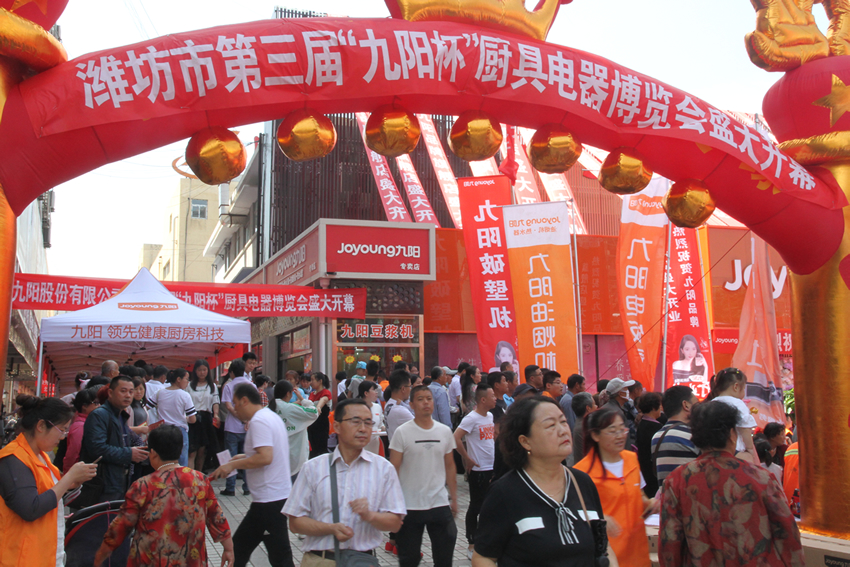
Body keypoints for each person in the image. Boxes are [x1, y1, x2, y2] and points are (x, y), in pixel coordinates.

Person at [659, 401, 804, 566]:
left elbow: (669, 546)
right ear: (731, 434)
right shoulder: (761, 477)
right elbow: (788, 534)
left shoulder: (676, 481)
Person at [473, 396, 607, 567]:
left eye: (563, 422)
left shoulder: (582, 482)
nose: (563, 430)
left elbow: (604, 548)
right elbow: (483, 557)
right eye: (551, 425)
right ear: (525, 441)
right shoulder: (505, 492)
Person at [284, 398, 406, 564]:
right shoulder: (313, 468)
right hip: (319, 560)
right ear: (337, 426)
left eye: (368, 422)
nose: (363, 428)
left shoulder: (384, 469)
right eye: (355, 422)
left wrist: (369, 515)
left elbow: (395, 523)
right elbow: (295, 522)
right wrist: (330, 528)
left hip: (361, 561)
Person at [94, 425, 234, 567]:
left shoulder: (143, 486)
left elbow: (121, 526)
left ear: (152, 453)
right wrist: (228, 548)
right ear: (181, 450)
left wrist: (101, 555)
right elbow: (216, 517)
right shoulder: (200, 480)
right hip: (191, 561)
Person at [0, 395, 98, 567]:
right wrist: (68, 478)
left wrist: (71, 484)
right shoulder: (14, 458)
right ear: (41, 426)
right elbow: (31, 509)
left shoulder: (40, 455)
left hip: (41, 551)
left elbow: (49, 493)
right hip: (20, 557)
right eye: (62, 430)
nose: (63, 437)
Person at [212, 383, 294, 567]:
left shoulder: (259, 421)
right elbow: (267, 452)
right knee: (248, 551)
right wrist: (240, 457)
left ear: (244, 401)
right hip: (272, 498)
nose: (234, 409)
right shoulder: (270, 416)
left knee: (268, 555)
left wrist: (232, 465)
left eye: (235, 404)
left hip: (268, 500)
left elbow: (265, 457)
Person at [575, 406, 654, 567]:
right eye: (612, 431)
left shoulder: (631, 459)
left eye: (622, 429)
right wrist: (600, 517)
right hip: (609, 556)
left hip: (637, 552)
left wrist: (650, 503)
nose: (620, 436)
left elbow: (639, 494)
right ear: (595, 435)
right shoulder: (582, 472)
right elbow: (577, 515)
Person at [390, 386, 458, 567]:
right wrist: (393, 503)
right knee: (409, 559)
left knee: (444, 560)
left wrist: (454, 498)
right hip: (409, 505)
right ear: (411, 404)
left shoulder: (444, 431)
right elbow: (393, 468)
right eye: (420, 399)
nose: (426, 403)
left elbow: (450, 466)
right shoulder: (402, 432)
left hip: (439, 503)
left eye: (429, 398)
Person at [81, 375, 150, 501]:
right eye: (123, 391)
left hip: (118, 481)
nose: (128, 395)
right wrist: (129, 453)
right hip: (103, 485)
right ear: (110, 393)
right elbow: (97, 449)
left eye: (131, 392)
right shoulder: (99, 415)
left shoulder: (120, 415)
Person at [454, 383, 497, 559]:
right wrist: (467, 458)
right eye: (492, 396)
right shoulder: (471, 418)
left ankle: (486, 541)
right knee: (475, 506)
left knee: (490, 506)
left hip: (492, 467)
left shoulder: (490, 416)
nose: (495, 398)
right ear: (483, 400)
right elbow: (456, 437)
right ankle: (471, 543)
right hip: (478, 470)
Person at [651, 385, 700, 489]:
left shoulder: (656, 437)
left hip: (666, 497)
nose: (700, 409)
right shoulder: (693, 434)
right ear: (686, 405)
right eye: (697, 404)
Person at [706, 367, 758, 463]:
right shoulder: (738, 404)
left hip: (712, 453)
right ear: (736, 387)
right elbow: (745, 430)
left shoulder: (711, 404)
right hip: (735, 452)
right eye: (744, 388)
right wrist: (750, 450)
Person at [270, 379, 318, 481]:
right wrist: (302, 399)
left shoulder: (267, 409)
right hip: (295, 456)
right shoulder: (291, 408)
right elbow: (313, 412)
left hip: (274, 458)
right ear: (288, 393)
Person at [150, 368, 197, 467]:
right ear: (178, 379)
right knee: (181, 462)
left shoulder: (160, 392)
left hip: (162, 430)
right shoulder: (185, 395)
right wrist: (185, 418)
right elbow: (193, 419)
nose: (188, 382)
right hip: (180, 431)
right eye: (186, 379)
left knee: (163, 460)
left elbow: (146, 407)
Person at [220, 359, 252, 496]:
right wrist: (247, 419)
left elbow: (228, 406)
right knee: (247, 457)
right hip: (248, 428)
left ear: (231, 373)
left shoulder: (228, 386)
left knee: (230, 458)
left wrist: (239, 416)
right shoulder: (251, 385)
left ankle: (230, 488)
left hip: (231, 427)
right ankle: (247, 487)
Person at [187, 359, 220, 472]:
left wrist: (216, 414)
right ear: (195, 371)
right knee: (192, 451)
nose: (202, 372)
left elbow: (215, 402)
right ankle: (190, 475)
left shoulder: (212, 386)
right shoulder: (189, 386)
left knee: (202, 450)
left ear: (208, 371)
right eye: (199, 370)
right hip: (193, 418)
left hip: (206, 418)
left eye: (204, 370)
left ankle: (199, 474)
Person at [64, 387, 100, 473]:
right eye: (96, 403)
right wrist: (69, 475)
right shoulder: (80, 427)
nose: (99, 406)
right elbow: (73, 454)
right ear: (84, 406)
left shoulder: (89, 423)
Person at [635, 391, 663, 497]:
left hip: (643, 469)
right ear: (654, 408)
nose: (661, 409)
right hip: (653, 472)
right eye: (660, 406)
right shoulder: (656, 428)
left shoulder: (641, 424)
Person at [604, 377, 637, 451]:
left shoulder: (607, 408)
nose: (628, 391)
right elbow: (624, 440)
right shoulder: (617, 413)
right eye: (626, 389)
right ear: (621, 393)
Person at [384, 369, 414, 444]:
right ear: (403, 389)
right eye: (410, 386)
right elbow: (421, 427)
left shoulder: (389, 404)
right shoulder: (400, 410)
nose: (410, 389)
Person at [307, 372, 332, 458]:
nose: (311, 382)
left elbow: (323, 400)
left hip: (321, 426)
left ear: (320, 381)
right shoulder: (312, 394)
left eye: (312, 380)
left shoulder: (326, 392)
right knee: (312, 450)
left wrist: (318, 407)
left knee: (321, 449)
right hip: (311, 425)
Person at [568, 392, 595, 466]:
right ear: (588, 408)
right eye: (594, 404)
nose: (597, 407)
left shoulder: (580, 423)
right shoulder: (585, 427)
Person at [359, 380, 385, 454]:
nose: (376, 392)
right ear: (366, 393)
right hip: (361, 443)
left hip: (375, 443)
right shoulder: (357, 408)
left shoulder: (377, 407)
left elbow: (380, 425)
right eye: (373, 390)